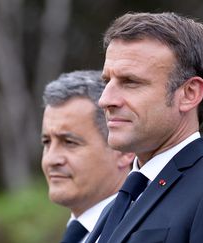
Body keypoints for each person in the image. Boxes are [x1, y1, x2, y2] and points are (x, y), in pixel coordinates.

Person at [86, 12, 203, 243]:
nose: (105, 100)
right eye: (107, 82)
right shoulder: (121, 202)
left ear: (189, 93)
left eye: (131, 82)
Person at [41, 70, 134, 243]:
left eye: (69, 142)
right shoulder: (81, 233)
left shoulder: (141, 232)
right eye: (46, 142)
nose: (51, 159)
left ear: (124, 151)